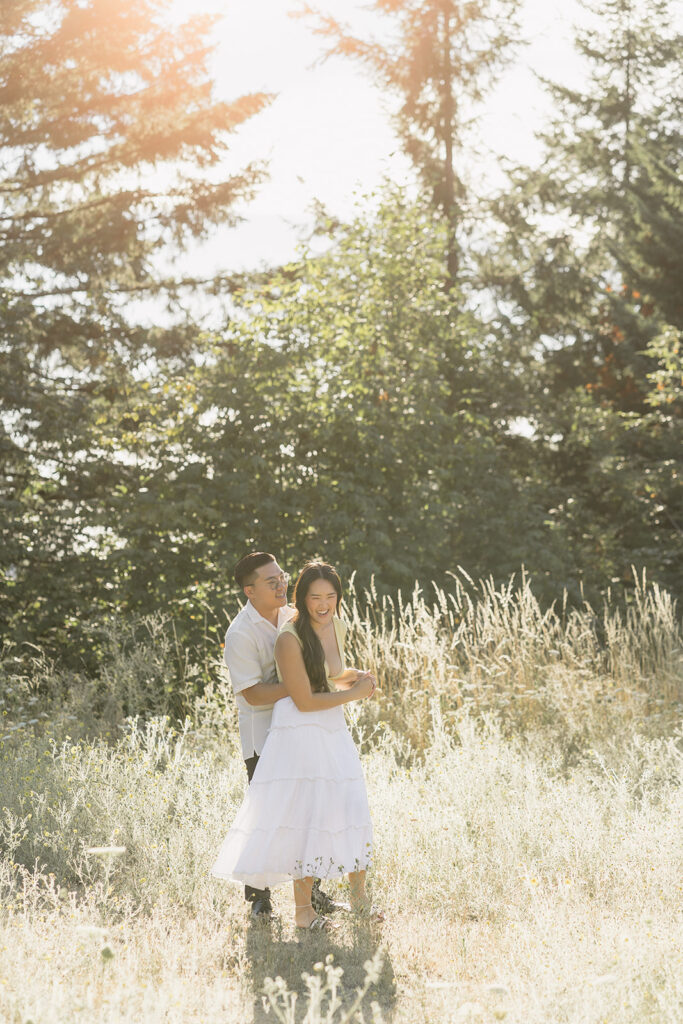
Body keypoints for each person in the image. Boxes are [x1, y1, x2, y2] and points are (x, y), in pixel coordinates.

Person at [211, 560, 379, 931]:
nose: (279, 586)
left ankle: (321, 901)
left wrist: (354, 678)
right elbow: (255, 693)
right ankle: (262, 905)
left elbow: (331, 671)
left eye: (282, 579)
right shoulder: (243, 633)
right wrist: (308, 683)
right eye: (271, 582)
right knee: (275, 820)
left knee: (329, 811)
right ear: (249, 590)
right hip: (268, 732)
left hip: (322, 725)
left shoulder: (302, 614)